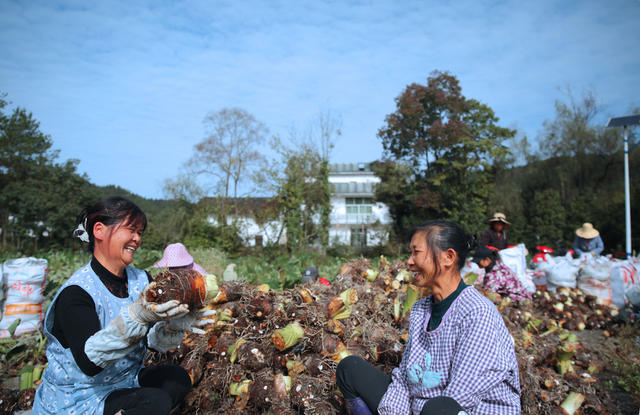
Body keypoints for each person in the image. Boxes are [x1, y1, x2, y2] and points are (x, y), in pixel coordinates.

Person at [33, 197, 203, 415]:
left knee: (176, 379)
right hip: (81, 395)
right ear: (99, 230)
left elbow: (150, 341)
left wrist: (174, 327)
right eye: (131, 230)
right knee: (155, 401)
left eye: (140, 232)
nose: (137, 239)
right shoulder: (77, 293)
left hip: (123, 379)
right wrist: (136, 318)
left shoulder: (141, 280)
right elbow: (90, 363)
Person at [336, 220, 521, 415]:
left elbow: (461, 395)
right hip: (426, 409)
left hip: (464, 410)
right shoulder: (420, 310)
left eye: (416, 252)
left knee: (440, 408)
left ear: (448, 257)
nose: (409, 261)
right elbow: (405, 380)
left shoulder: (477, 312)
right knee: (350, 369)